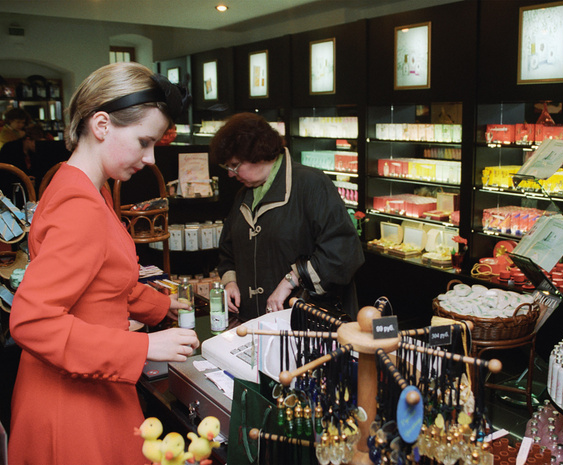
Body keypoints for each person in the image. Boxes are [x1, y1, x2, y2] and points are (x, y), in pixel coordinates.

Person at [8, 62, 198, 465]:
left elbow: (105, 281)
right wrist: (144, 345)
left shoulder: (83, 185)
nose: (149, 159)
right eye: (144, 142)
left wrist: (163, 306)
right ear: (101, 125)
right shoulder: (82, 206)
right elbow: (31, 320)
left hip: (81, 385)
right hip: (72, 405)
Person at [212, 112, 365, 322]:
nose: (230, 173)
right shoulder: (243, 195)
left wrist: (290, 281)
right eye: (227, 167)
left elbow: (342, 251)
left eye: (235, 165)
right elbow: (228, 250)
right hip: (254, 323)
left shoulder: (312, 185)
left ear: (258, 154)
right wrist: (231, 283)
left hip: (306, 324)